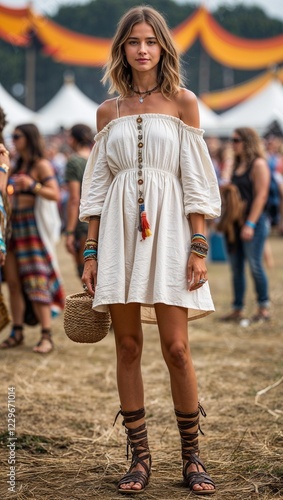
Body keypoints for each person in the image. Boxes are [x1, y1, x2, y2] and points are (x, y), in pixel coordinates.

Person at [79, 6, 220, 495]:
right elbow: (96, 189)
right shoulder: (107, 112)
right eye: (133, 41)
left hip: (171, 234)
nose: (142, 49)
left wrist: (198, 245)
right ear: (122, 49)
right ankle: (139, 459)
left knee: (177, 349)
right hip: (118, 236)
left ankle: (192, 457)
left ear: (163, 47)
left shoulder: (183, 103)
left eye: (150, 41)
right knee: (128, 346)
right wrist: (91, 253)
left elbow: (196, 179)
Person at [0, 123, 65, 353]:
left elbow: (54, 193)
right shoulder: (16, 164)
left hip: (30, 228)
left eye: (17, 136)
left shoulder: (41, 165)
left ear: (28, 138)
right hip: (12, 226)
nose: (13, 140)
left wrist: (32, 185)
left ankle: (46, 335)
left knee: (37, 280)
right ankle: (17, 331)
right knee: (14, 283)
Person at [220, 127, 271, 322]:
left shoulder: (258, 164)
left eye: (236, 140)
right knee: (236, 268)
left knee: (255, 266)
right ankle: (237, 308)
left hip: (253, 223)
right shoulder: (236, 165)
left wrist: (250, 223)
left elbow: (261, 195)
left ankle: (263, 307)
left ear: (247, 142)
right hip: (234, 223)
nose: (233, 144)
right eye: (232, 140)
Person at [64, 124, 93, 277]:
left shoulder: (74, 161)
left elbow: (75, 199)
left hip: (83, 222)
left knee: (83, 272)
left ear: (74, 139)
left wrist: (69, 231)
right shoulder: (96, 158)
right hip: (101, 220)